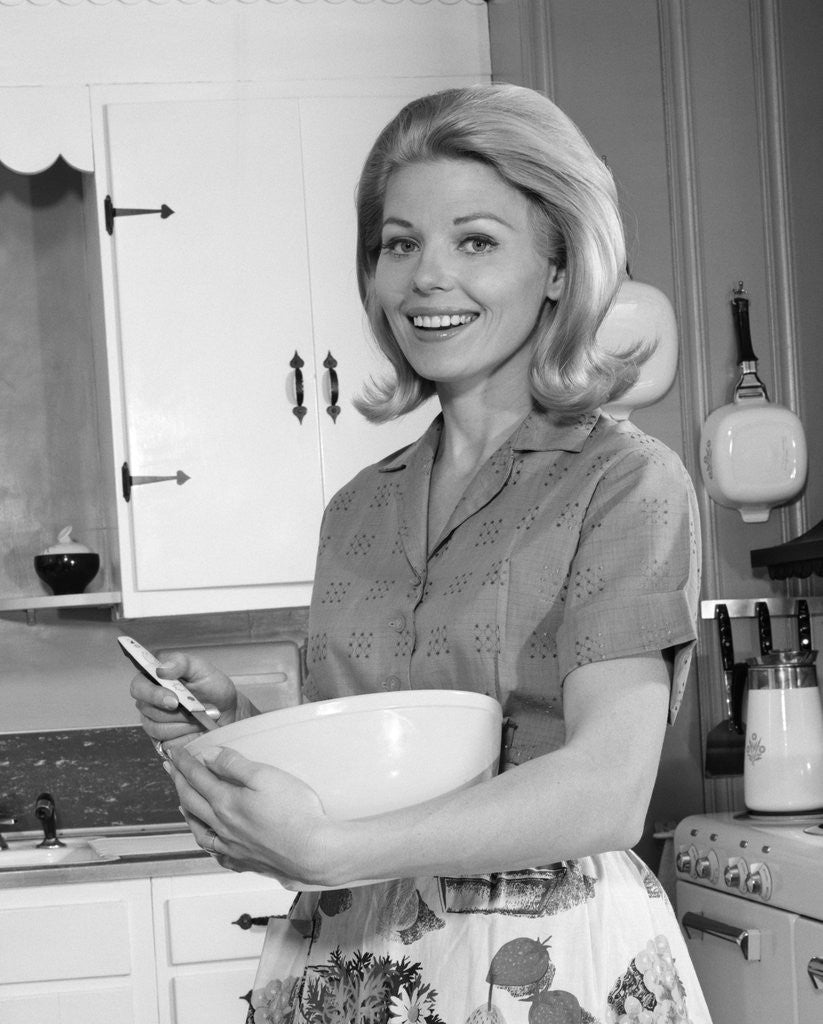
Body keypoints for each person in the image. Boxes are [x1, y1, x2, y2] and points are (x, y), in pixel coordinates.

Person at [132, 84, 712, 1024]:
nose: (424, 278)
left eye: (474, 241)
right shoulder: (355, 510)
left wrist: (329, 853)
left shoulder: (624, 481)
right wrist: (237, 729)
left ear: (560, 265)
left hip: (541, 967)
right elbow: (367, 774)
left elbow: (607, 790)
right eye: (398, 245)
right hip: (347, 959)